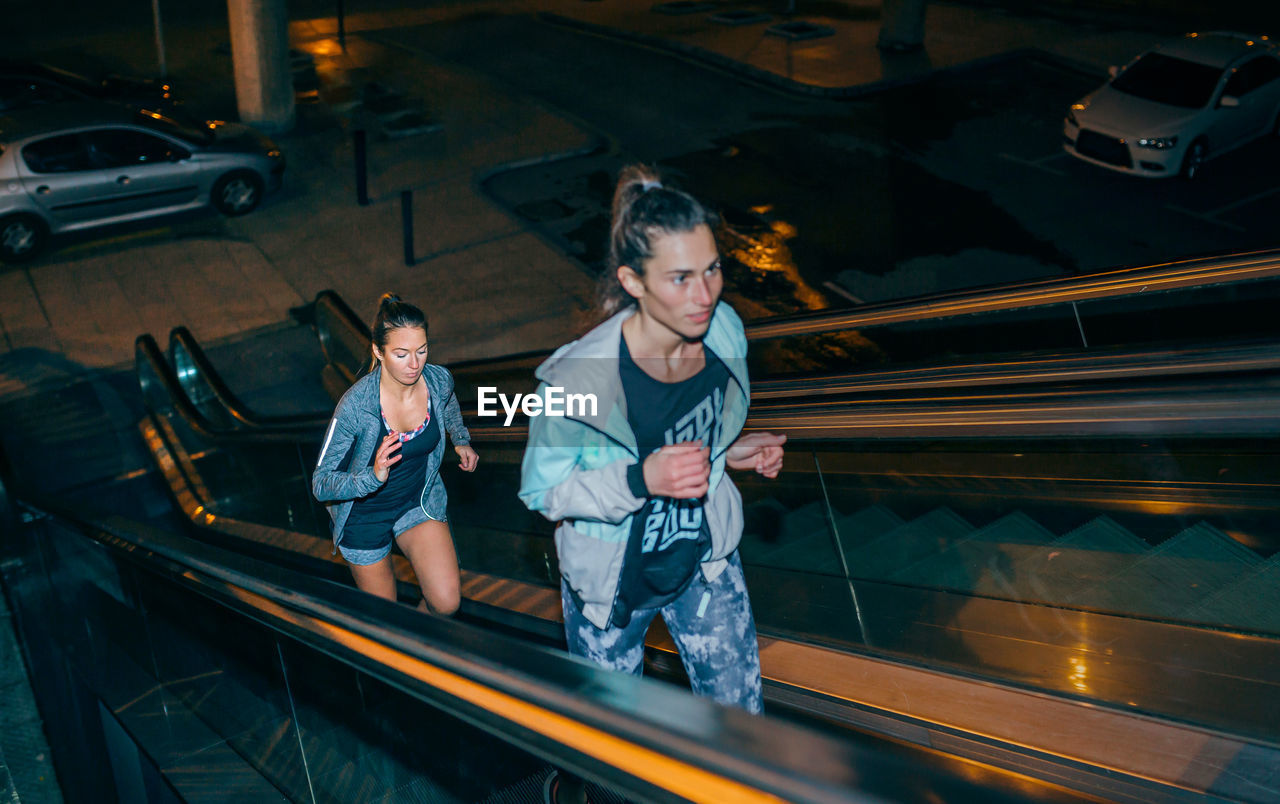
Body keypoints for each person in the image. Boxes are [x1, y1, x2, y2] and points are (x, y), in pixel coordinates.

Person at [519, 165, 786, 718]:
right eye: (680, 278)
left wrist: (727, 452)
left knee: (744, 727)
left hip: (705, 560)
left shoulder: (724, 334)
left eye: (712, 270)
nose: (705, 294)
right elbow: (543, 493)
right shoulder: (578, 382)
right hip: (613, 582)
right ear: (633, 282)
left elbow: (693, 435)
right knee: (615, 743)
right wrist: (642, 479)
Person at [313, 293, 478, 614]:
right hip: (364, 518)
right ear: (378, 351)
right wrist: (371, 477)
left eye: (422, 350)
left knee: (445, 603)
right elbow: (321, 483)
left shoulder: (437, 379)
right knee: (386, 621)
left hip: (416, 502)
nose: (415, 364)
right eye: (401, 354)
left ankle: (418, 647)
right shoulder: (355, 406)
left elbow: (448, 402)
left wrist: (460, 439)